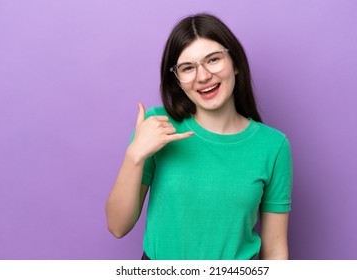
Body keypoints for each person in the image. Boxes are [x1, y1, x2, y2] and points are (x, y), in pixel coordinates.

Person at [106, 13, 293, 260]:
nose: (203, 76)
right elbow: (118, 226)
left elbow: (275, 248)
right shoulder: (158, 126)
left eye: (213, 59)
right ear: (178, 80)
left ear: (235, 63)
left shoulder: (273, 146)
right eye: (187, 68)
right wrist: (135, 155)